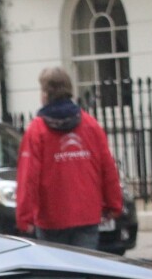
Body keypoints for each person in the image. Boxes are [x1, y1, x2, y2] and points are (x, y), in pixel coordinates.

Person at [16, 67, 123, 249]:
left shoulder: (37, 130)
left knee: (57, 273)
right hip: (86, 214)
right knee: (85, 269)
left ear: (45, 94)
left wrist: (24, 217)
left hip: (51, 218)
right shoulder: (90, 125)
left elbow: (29, 177)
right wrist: (114, 204)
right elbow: (107, 167)